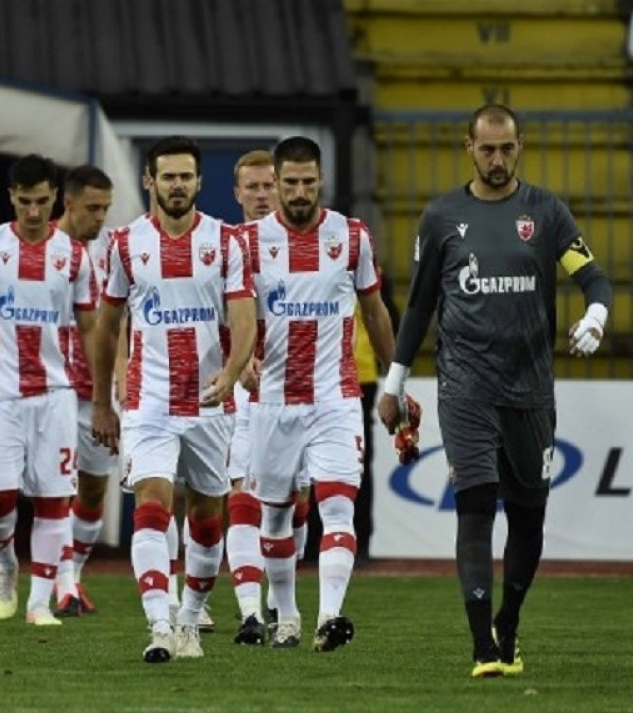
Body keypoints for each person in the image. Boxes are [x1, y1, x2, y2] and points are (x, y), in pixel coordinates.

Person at [377, 104, 613, 678]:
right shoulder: (441, 218)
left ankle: (508, 619)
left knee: (529, 516)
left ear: (520, 146)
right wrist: (394, 382)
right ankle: (482, 645)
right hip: (465, 386)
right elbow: (421, 305)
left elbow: (593, 276)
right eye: (488, 149)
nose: (498, 160)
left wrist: (597, 316)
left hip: (530, 389)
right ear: (469, 148)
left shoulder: (547, 213)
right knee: (476, 504)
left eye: (507, 149)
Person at [92, 135, 257, 662]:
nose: (178, 185)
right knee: (153, 503)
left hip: (211, 400)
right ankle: (159, 624)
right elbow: (107, 326)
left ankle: (189, 618)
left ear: (199, 181)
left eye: (186, 176)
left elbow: (244, 317)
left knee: (208, 520)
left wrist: (232, 373)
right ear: (150, 181)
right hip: (149, 401)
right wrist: (101, 400)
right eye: (168, 176)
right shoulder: (123, 244)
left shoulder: (228, 242)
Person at [244, 137, 396, 651]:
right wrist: (239, 360)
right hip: (273, 400)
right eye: (291, 182)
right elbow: (228, 314)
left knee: (337, 506)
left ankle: (329, 616)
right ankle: (285, 614)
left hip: (336, 397)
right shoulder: (247, 242)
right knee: (277, 513)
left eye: (309, 182)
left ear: (321, 180)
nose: (300, 191)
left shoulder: (351, 237)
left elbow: (374, 310)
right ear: (277, 182)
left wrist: (395, 380)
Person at [0, 154, 97, 627]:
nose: (33, 212)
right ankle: (6, 563)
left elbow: (91, 328)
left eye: (41, 201)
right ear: (12, 197)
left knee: (55, 498)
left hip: (56, 394)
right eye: (24, 202)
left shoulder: (74, 255)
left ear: (55, 197)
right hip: (0, 395)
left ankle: (38, 604)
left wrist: (107, 396)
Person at [223, 149, 282, 646]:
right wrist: (238, 360)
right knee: (243, 493)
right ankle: (249, 611)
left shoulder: (321, 240)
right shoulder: (225, 246)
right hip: (243, 388)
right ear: (237, 193)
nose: (262, 195)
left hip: (301, 391)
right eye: (253, 187)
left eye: (270, 185)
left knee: (292, 504)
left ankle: (282, 605)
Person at [52, 165, 115, 617]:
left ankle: (72, 575)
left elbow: (119, 325)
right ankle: (56, 584)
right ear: (67, 203)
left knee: (93, 490)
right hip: (49, 388)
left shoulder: (112, 254)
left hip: (98, 393)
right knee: (53, 489)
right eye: (92, 208)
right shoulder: (42, 250)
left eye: (106, 209)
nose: (100, 217)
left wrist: (116, 391)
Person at [351, 273, 400, 567]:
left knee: (356, 462)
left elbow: (386, 316)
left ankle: (359, 540)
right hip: (335, 374)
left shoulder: (373, 270)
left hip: (360, 375)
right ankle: (320, 541)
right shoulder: (373, 269)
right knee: (350, 463)